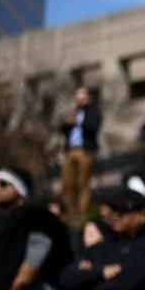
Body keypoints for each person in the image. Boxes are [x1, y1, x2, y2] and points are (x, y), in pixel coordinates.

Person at [60, 87, 103, 218]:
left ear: (88, 98)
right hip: (70, 150)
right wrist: (68, 123)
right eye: (78, 97)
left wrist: (78, 121)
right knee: (67, 182)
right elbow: (62, 130)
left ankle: (82, 212)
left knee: (82, 182)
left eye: (82, 97)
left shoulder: (93, 112)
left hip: (85, 150)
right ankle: (68, 211)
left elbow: (93, 128)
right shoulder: (74, 111)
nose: (80, 100)